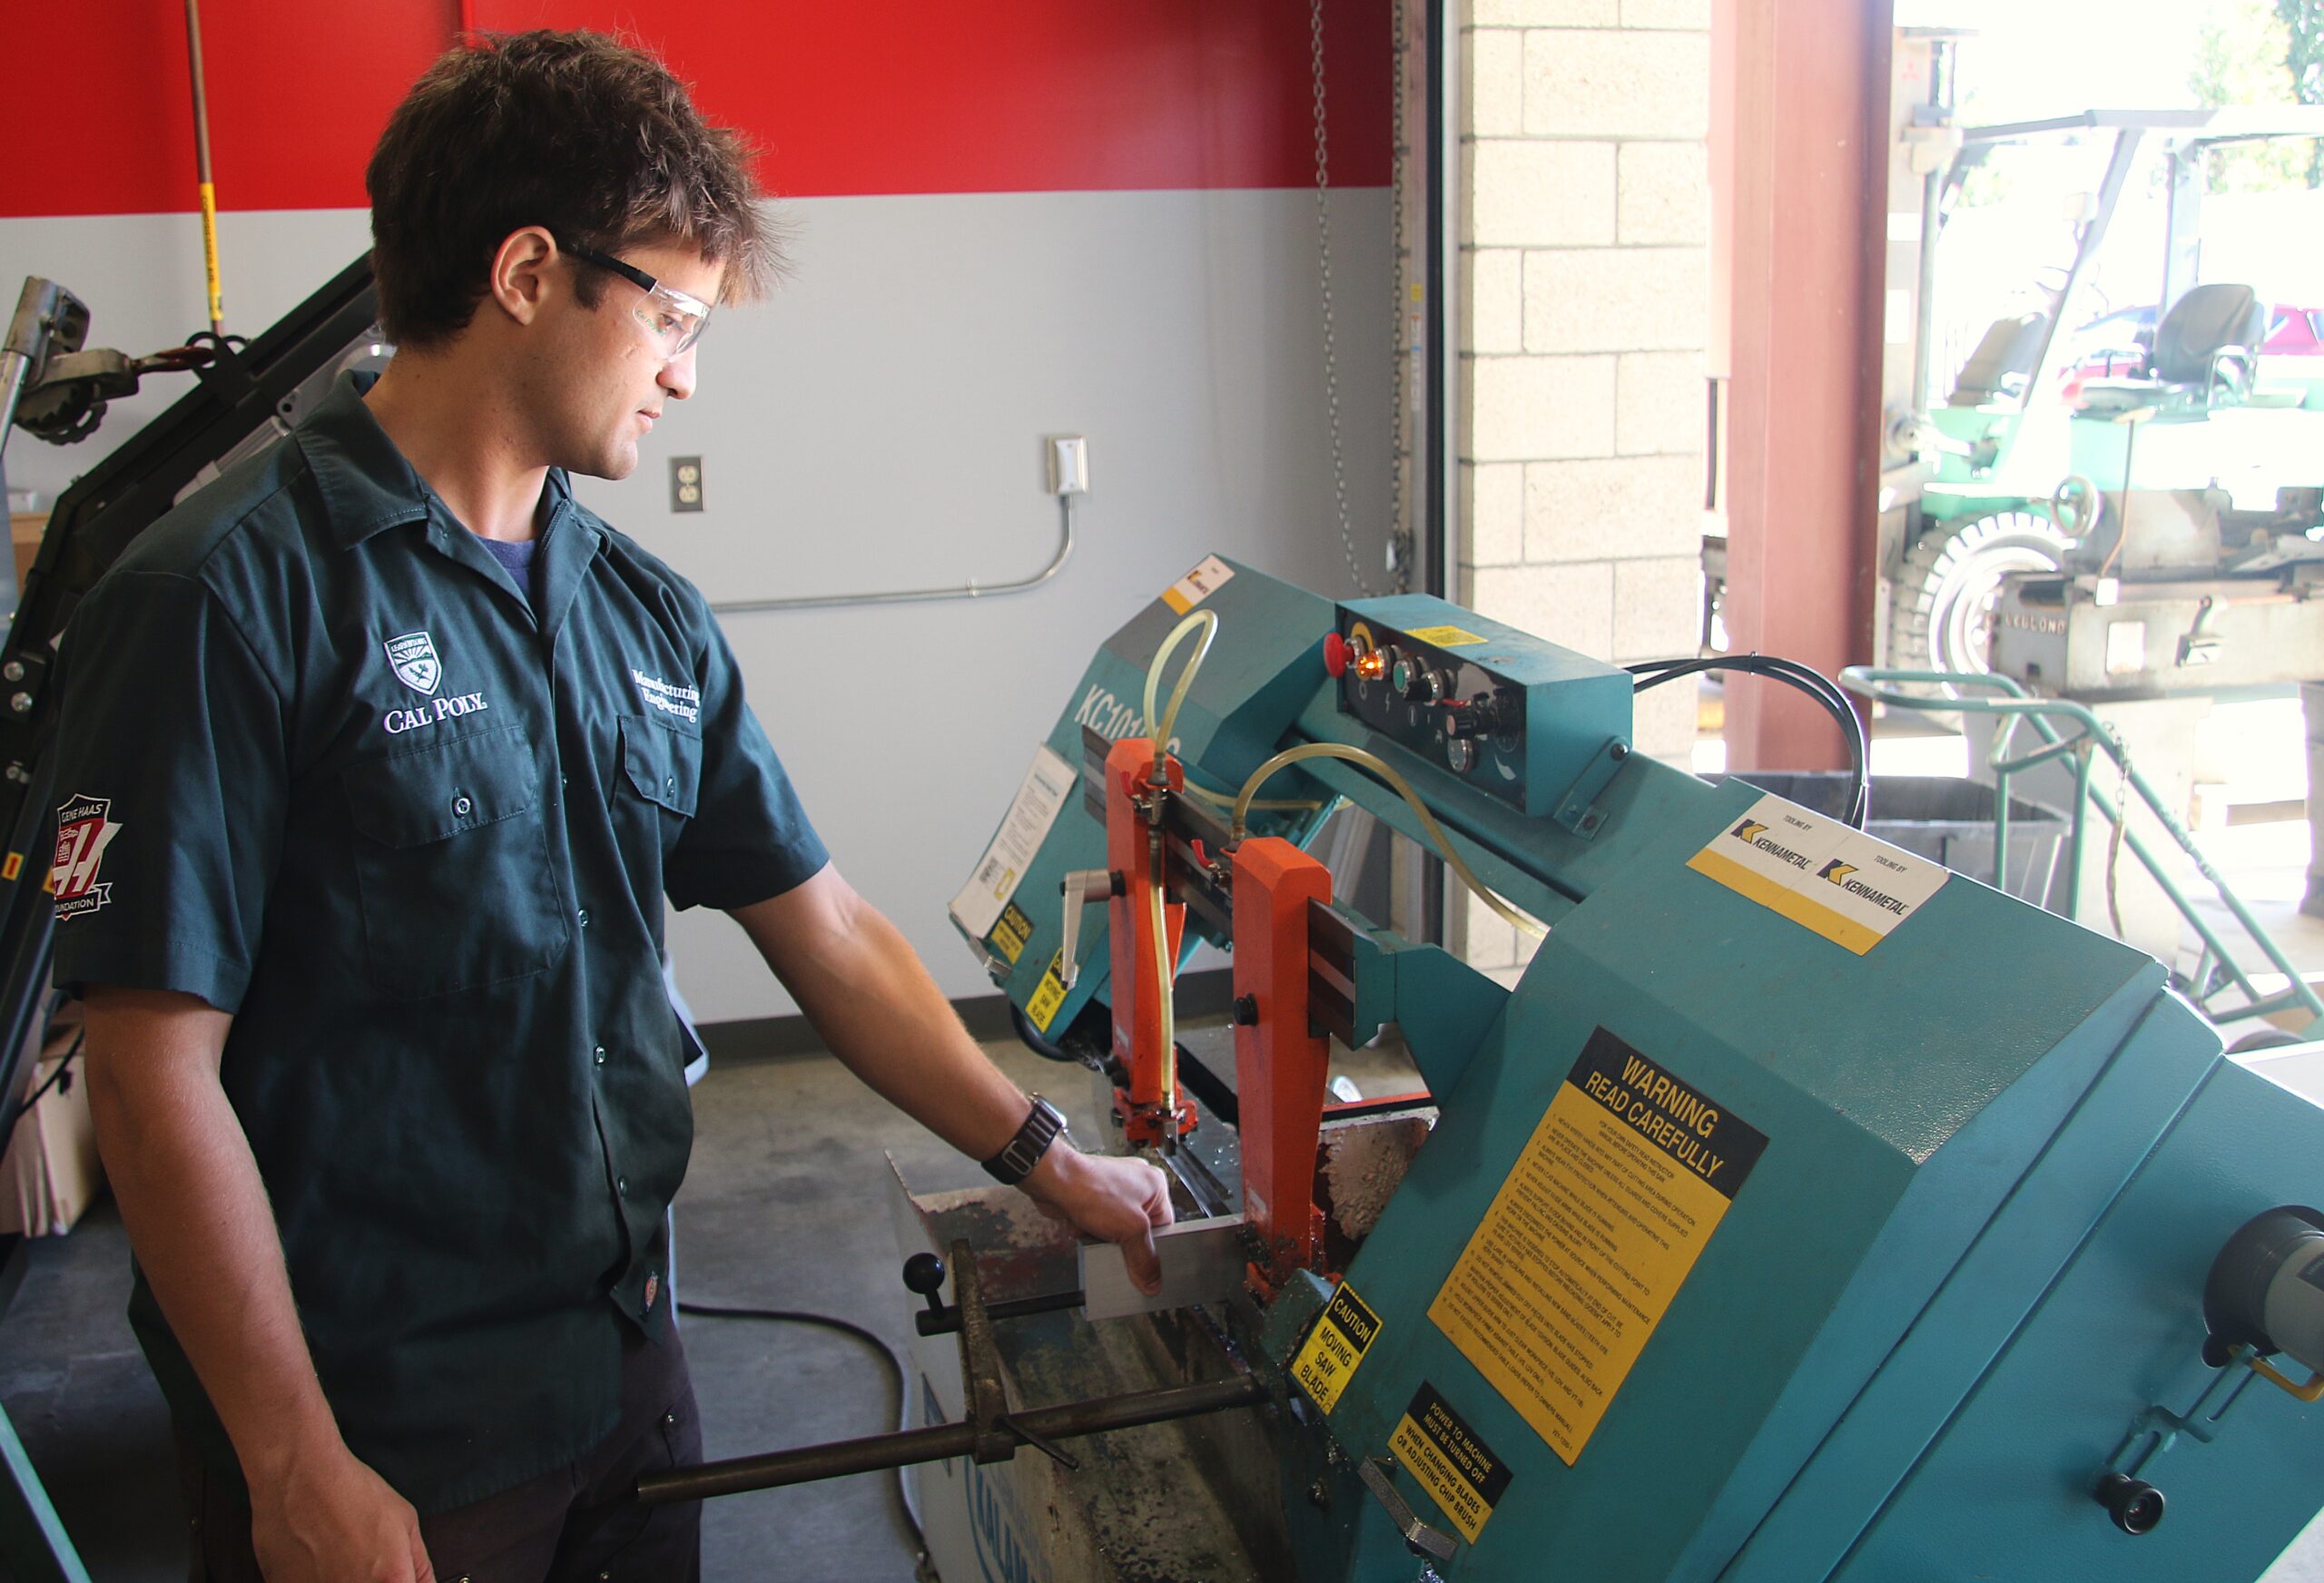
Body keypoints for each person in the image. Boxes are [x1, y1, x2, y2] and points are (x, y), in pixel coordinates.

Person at [53, 31, 1170, 1583]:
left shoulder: (642, 617)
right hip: (380, 1435)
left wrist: (1054, 1160)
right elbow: (149, 1076)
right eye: (674, 312)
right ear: (527, 273)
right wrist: (292, 1461)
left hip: (627, 1383)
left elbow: (828, 929)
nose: (688, 370)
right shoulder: (226, 601)